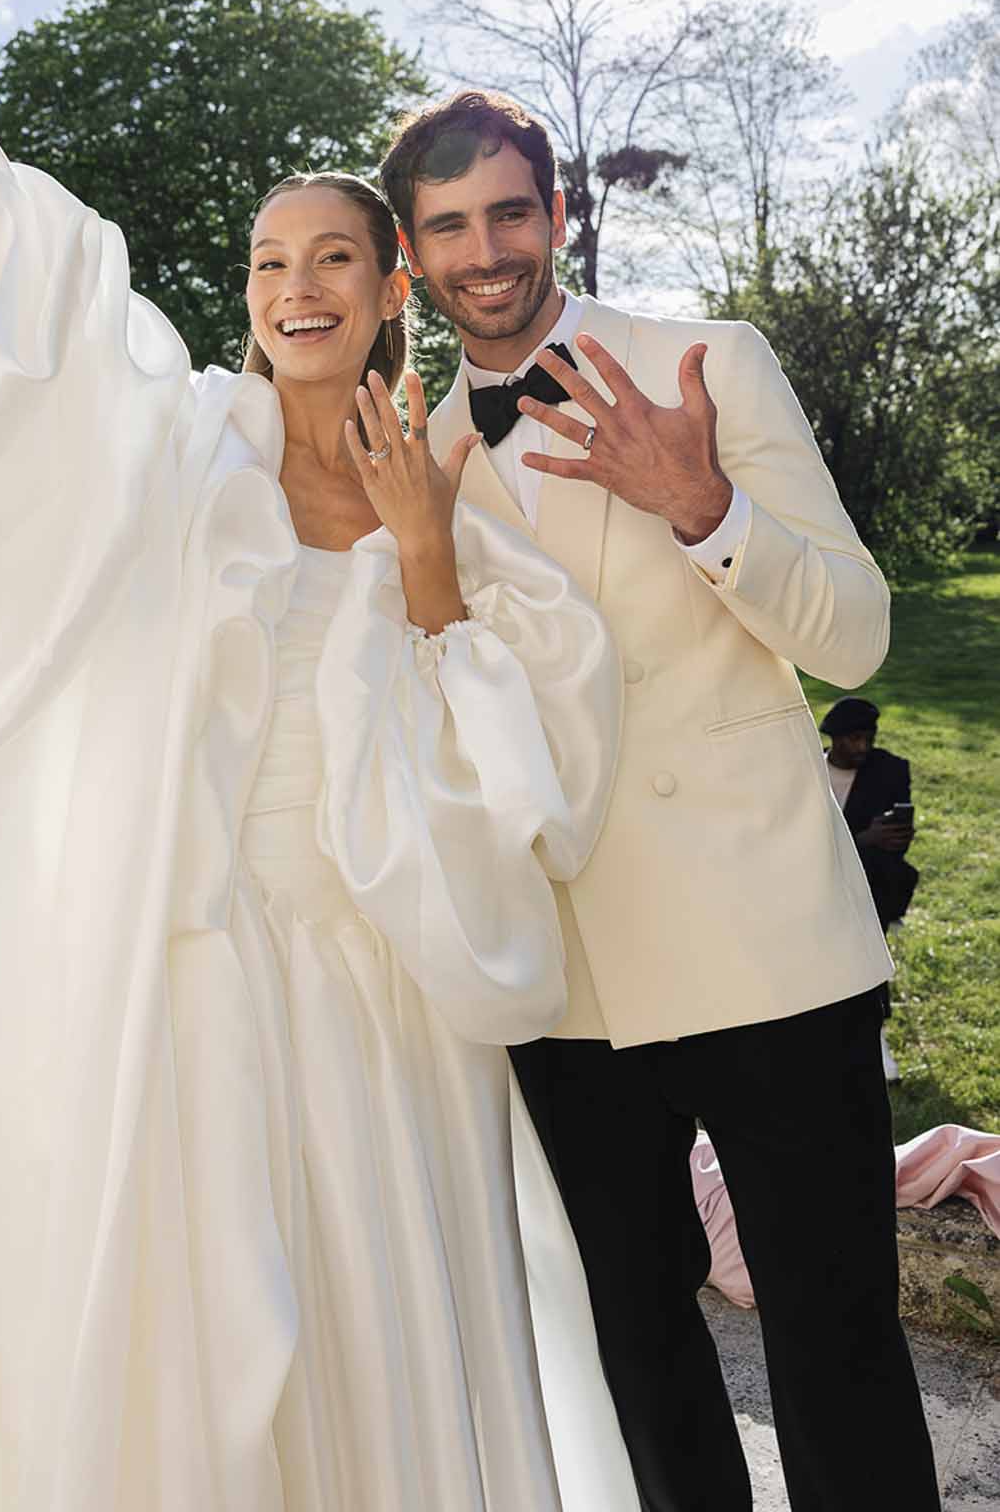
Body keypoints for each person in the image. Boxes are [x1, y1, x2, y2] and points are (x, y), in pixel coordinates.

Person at [0, 0, 641, 1512]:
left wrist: (425, 564)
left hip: (385, 997)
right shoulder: (177, 455)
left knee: (384, 1339)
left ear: (390, 294)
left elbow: (531, 767)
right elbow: (23, 322)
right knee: (200, 1357)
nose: (294, 285)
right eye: (266, 260)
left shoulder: (453, 491)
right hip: (196, 979)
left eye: (334, 258)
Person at [388, 88, 940, 1512]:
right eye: (447, 226)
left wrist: (706, 511)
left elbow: (857, 639)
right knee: (638, 1348)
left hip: (764, 939)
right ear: (411, 255)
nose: (486, 249)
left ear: (557, 216)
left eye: (510, 211)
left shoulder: (708, 360)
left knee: (833, 1341)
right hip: (563, 974)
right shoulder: (418, 458)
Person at [821, 694, 918, 1080]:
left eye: (868, 737)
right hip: (810, 884)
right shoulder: (808, 770)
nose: (862, 747)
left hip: (869, 888)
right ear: (834, 738)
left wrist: (891, 837)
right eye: (853, 739)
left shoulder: (889, 770)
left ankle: (875, 1042)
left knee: (868, 968)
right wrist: (864, 838)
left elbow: (895, 845)